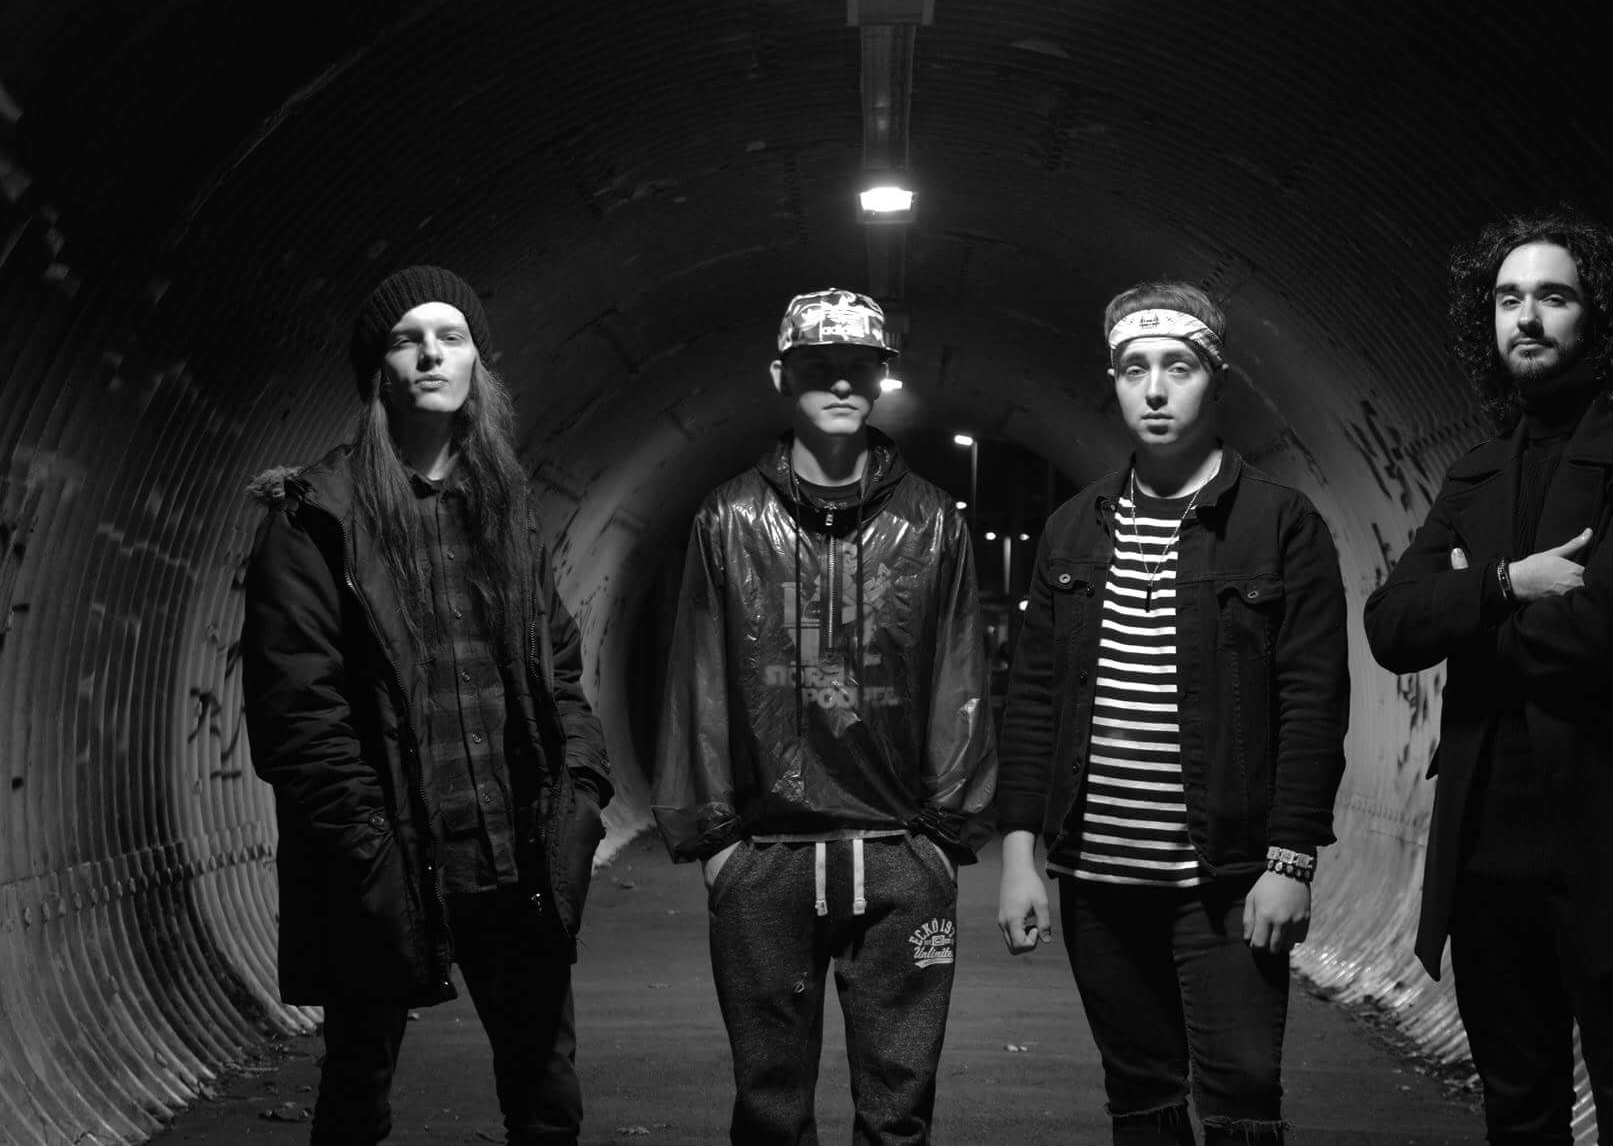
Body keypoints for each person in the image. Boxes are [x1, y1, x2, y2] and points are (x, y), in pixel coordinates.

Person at [1361, 213, 1613, 1144]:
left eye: (1554, 295)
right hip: (1484, 849)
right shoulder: (1473, 474)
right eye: (1508, 297)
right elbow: (1390, 626)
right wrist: (1509, 583)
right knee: (1517, 1105)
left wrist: (1468, 613)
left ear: (1600, 317)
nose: (1527, 316)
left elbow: (1608, 629)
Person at [242, 266, 612, 1146]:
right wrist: (365, 843)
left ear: (478, 364)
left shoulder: (504, 506)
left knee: (548, 1095)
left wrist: (581, 787)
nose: (431, 355)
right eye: (408, 340)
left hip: (513, 852)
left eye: (451, 337)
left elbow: (557, 665)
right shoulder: (317, 519)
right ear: (379, 370)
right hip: (390, 859)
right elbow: (298, 710)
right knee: (357, 1091)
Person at [995, 281, 1351, 1145]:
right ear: (1113, 382)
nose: (1154, 390)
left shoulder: (1280, 524)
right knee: (1141, 1095)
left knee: (1242, 1092)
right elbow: (1034, 699)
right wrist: (1018, 856)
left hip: (1225, 879)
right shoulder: (1073, 529)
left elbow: (1313, 699)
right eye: (1134, 369)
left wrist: (1291, 859)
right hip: (1098, 880)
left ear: (1215, 380)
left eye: (1178, 367)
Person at [652, 288, 994, 1146]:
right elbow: (699, 678)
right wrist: (718, 842)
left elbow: (960, 676)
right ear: (781, 374)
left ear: (882, 377)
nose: (841, 381)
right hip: (765, 855)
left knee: (898, 1111)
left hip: (900, 852)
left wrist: (942, 839)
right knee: (769, 1110)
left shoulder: (932, 522)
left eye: (860, 365)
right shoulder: (729, 517)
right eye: (818, 364)